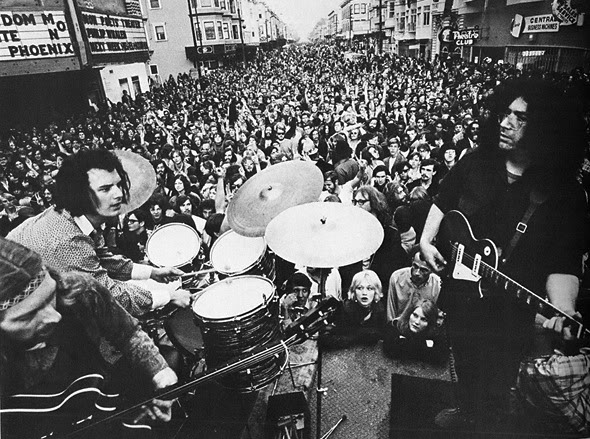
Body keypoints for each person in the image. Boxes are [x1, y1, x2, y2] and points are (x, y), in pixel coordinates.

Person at [419, 79, 587, 429]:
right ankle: (466, 410)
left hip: (510, 312)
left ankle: (485, 421)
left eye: (520, 118)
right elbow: (443, 200)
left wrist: (565, 310)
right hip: (462, 296)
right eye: (505, 113)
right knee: (464, 362)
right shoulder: (477, 161)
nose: (505, 122)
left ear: (548, 128)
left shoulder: (564, 194)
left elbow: (563, 262)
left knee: (497, 379)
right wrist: (425, 239)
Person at [0, 237, 177, 436]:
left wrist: (161, 373)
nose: (55, 317)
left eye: (51, 297)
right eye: (28, 315)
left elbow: (127, 333)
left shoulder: (81, 291)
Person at [7, 150, 191, 317]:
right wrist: (169, 296)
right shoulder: (66, 241)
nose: (119, 194)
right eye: (105, 189)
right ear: (79, 193)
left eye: (118, 185)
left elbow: (102, 260)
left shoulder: (77, 217)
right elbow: (107, 296)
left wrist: (153, 273)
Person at [320, 270, 385, 349]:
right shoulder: (343, 309)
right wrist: (358, 336)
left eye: (369, 288)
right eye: (359, 288)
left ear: (376, 291)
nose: (364, 293)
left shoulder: (380, 310)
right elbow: (325, 339)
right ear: (353, 291)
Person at [383, 298, 446, 363]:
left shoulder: (434, 334)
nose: (417, 322)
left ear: (430, 323)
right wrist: (425, 344)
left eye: (423, 319)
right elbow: (390, 350)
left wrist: (404, 342)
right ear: (409, 314)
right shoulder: (395, 325)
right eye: (415, 315)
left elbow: (441, 357)